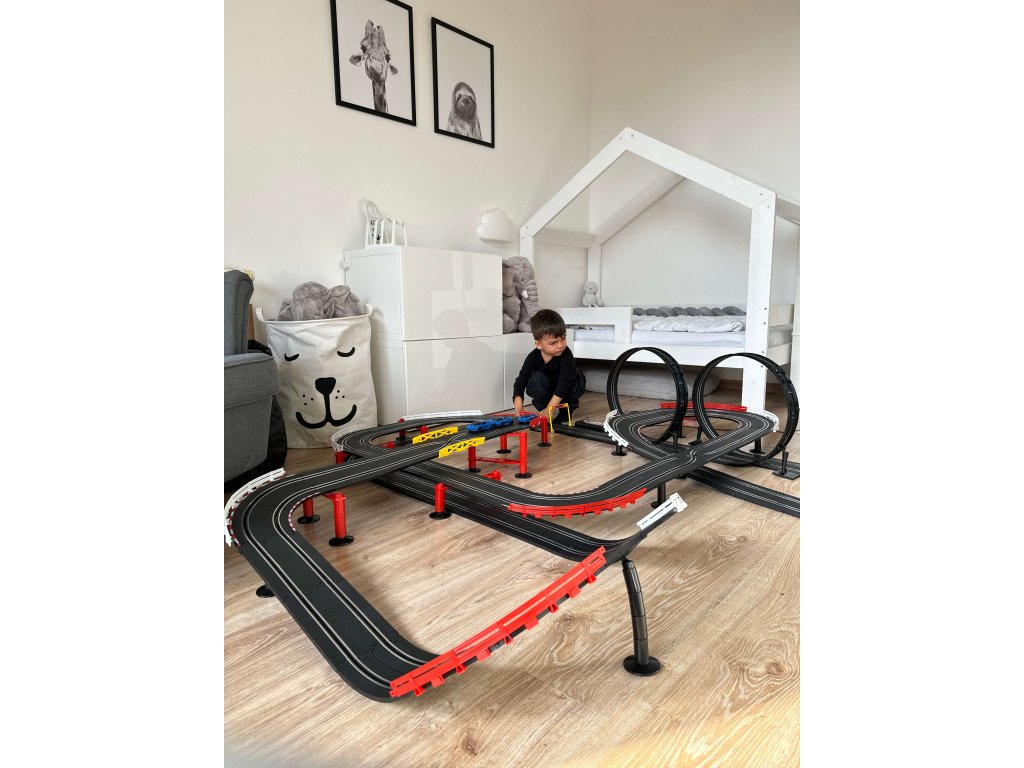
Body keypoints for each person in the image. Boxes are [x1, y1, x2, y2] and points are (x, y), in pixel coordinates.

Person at [512, 309, 587, 424]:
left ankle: (564, 412)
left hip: (567, 387)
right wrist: (518, 408)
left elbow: (564, 383)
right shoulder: (532, 358)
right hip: (549, 387)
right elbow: (520, 382)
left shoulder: (566, 354)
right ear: (538, 344)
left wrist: (551, 408)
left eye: (563, 338)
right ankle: (546, 411)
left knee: (574, 376)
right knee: (536, 378)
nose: (560, 345)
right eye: (553, 343)